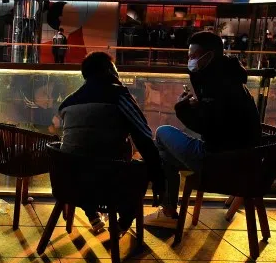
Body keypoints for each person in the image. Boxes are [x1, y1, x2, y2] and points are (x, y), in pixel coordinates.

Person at [147, 31, 262, 228]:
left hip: (217, 162)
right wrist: (199, 105)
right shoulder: (230, 79)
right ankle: (167, 211)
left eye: (193, 56)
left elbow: (207, 126)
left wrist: (181, 108)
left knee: (162, 133)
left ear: (208, 56)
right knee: (164, 153)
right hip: (242, 162)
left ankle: (168, 212)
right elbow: (220, 120)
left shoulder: (216, 85)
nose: (190, 61)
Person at [58, 52, 163, 234]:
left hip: (69, 182)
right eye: (115, 69)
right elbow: (143, 136)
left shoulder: (67, 103)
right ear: (109, 71)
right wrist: (158, 176)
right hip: (109, 182)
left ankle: (92, 212)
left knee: (85, 154)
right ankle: (122, 223)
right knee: (139, 167)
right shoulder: (118, 95)